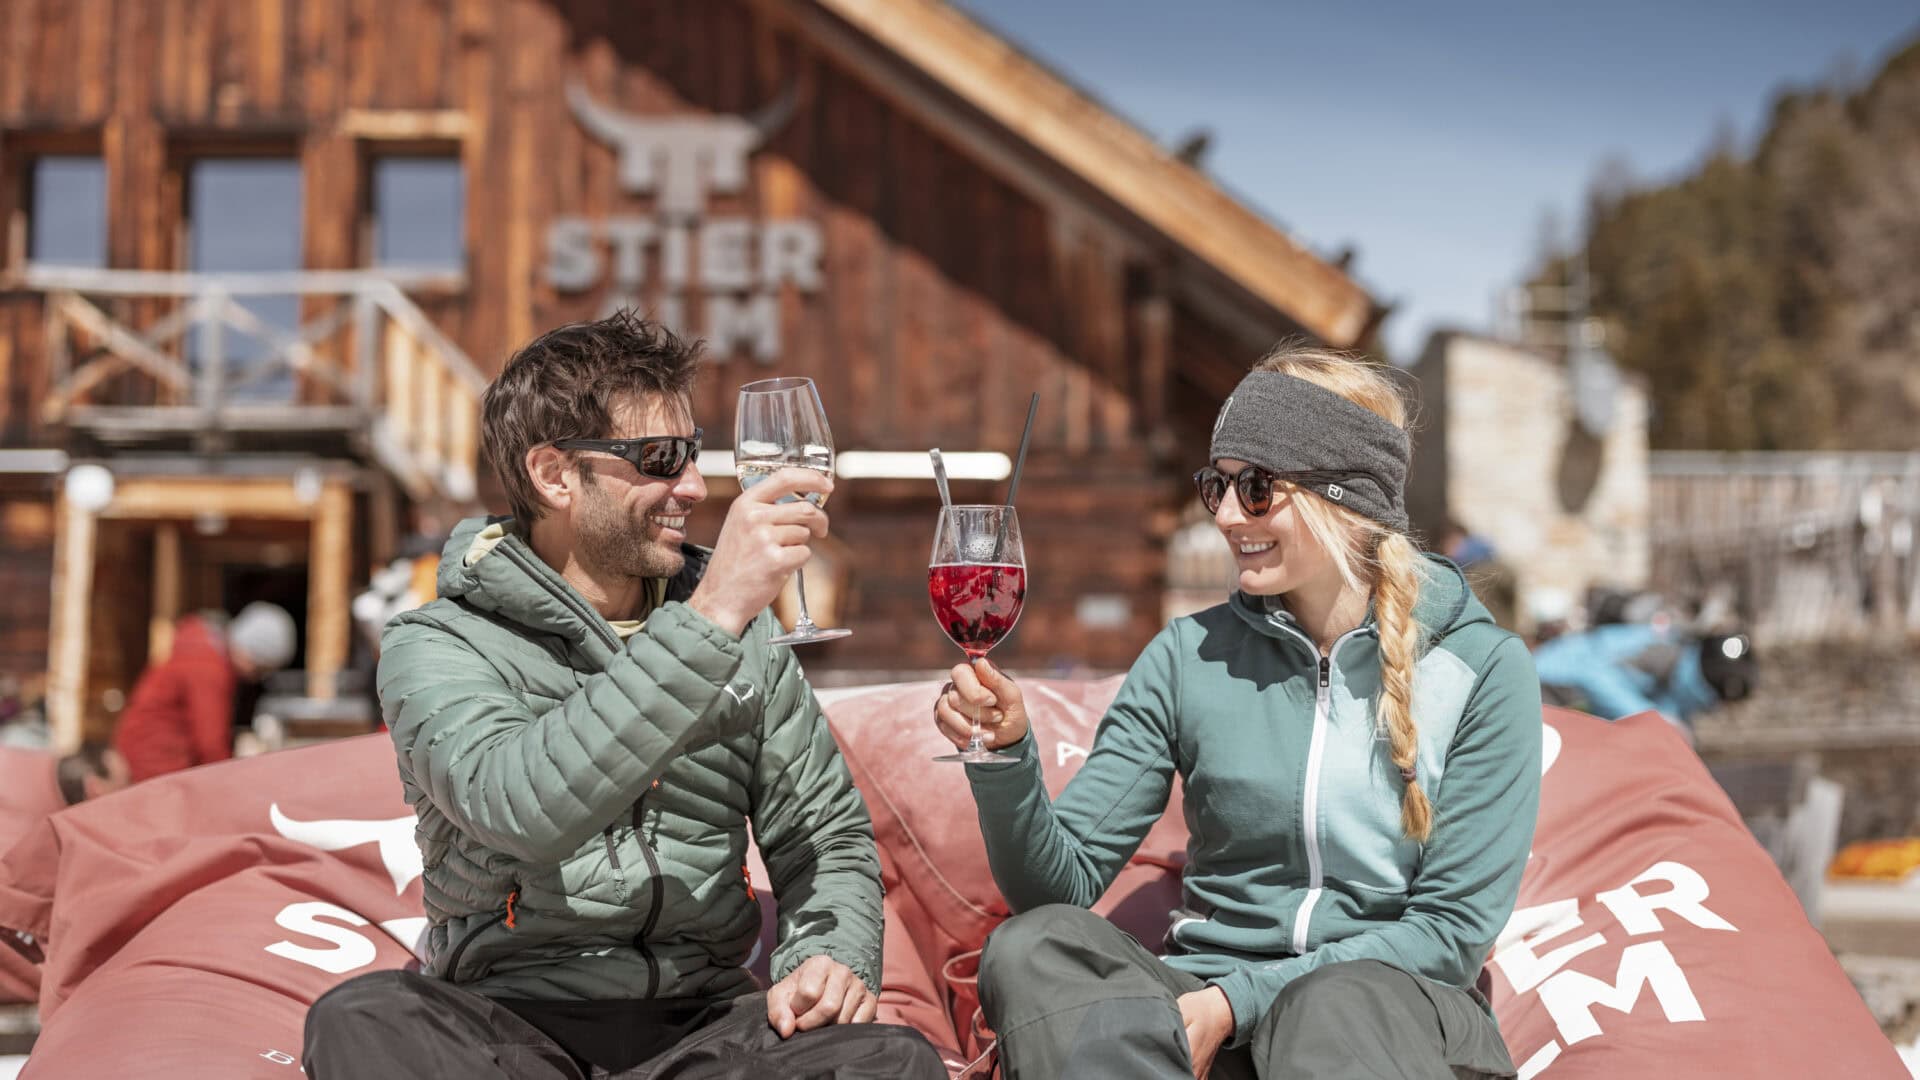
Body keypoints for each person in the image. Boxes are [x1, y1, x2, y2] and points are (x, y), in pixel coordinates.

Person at [303, 312, 942, 1080]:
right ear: (553, 474)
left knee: (890, 1060)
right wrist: (711, 615)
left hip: (703, 1021)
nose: (696, 487)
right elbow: (521, 809)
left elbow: (823, 836)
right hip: (507, 1019)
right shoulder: (438, 642)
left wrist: (827, 955)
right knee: (362, 1019)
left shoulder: (742, 633)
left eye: (693, 455)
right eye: (660, 459)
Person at [936, 345, 1542, 1079]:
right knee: (1033, 947)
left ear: (1345, 496)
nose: (1224, 515)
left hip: (1390, 1020)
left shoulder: (1482, 668)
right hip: (1202, 1014)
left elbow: (1449, 936)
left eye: (1255, 488)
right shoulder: (1188, 656)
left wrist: (1240, 999)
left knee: (1330, 1003)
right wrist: (1005, 756)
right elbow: (1054, 889)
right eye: (1213, 486)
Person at [111, 601, 298, 781]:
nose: (255, 676)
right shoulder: (209, 670)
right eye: (260, 668)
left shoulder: (204, 652)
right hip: (156, 761)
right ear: (250, 653)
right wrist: (231, 784)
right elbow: (210, 743)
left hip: (145, 754)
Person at [1533, 620, 1755, 737]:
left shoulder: (1677, 663)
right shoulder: (1661, 652)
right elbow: (1591, 673)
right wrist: (1651, 719)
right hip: (1547, 687)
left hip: (1567, 713)